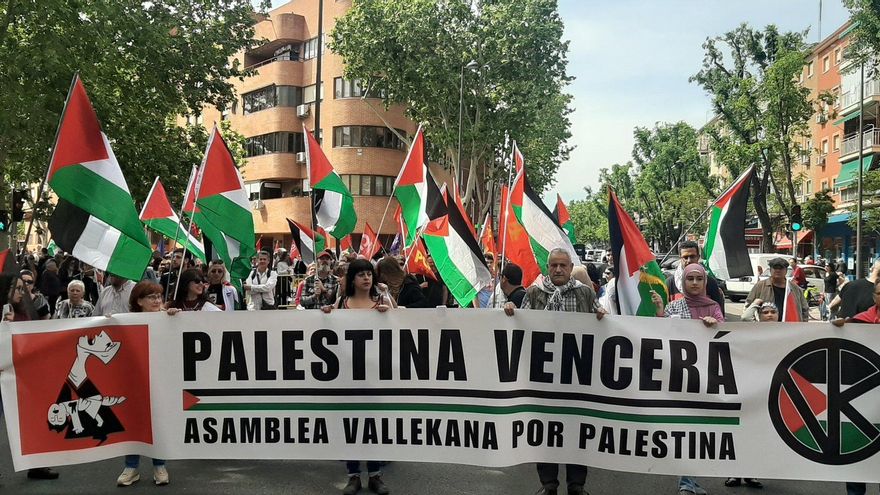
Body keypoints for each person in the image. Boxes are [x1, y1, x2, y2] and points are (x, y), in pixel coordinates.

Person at [504, 248, 604, 495]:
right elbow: (521, 322)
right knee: (546, 430)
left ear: (570, 268)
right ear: (547, 268)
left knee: (577, 430)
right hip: (544, 376)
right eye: (553, 266)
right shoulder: (535, 293)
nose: (558, 270)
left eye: (563, 265)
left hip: (577, 377)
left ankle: (576, 484)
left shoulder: (585, 293)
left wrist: (602, 315)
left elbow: (600, 321)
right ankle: (548, 483)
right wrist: (509, 311)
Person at [650, 263, 722, 495]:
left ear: (704, 282)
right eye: (689, 278)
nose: (694, 283)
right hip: (680, 379)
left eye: (698, 279)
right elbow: (662, 338)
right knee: (683, 429)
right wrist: (661, 313)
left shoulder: (713, 307)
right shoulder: (674, 306)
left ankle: (692, 481)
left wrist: (715, 326)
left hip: (707, 379)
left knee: (701, 432)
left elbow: (728, 337)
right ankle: (686, 483)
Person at [321, 259, 392, 495]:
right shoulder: (341, 303)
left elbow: (402, 328)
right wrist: (327, 315)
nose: (366, 278)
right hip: (347, 377)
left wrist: (389, 315)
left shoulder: (382, 301)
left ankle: (374, 475)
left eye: (369, 274)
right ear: (352, 279)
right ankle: (353, 475)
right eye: (361, 274)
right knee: (349, 424)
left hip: (375, 377)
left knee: (372, 426)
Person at [1, 273, 62, 481]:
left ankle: (37, 465)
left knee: (32, 420)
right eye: (17, 288)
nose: (21, 292)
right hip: (4, 375)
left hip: (24, 374)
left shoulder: (24, 312)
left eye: (24, 287)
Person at [116, 281, 175, 486]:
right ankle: (131, 467)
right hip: (134, 381)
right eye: (151, 297)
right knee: (133, 423)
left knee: (158, 422)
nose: (157, 300)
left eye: (159, 296)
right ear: (139, 301)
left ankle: (160, 465)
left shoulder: (169, 318)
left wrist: (176, 318)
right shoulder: (126, 322)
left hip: (161, 380)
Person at [831, 278, 880, 495]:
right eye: (879, 293)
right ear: (873, 296)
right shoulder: (859, 322)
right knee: (856, 447)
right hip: (861, 398)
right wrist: (840, 328)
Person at [665, 241, 725, 314]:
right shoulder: (670, 283)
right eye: (685, 257)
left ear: (698, 257)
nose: (689, 261)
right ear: (680, 258)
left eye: (692, 256)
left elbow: (719, 317)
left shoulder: (710, 283)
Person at [744, 257, 809, 322]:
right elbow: (748, 307)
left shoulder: (795, 288)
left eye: (781, 268)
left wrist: (802, 326)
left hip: (789, 328)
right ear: (770, 270)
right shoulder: (760, 286)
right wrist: (755, 325)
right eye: (775, 268)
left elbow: (804, 310)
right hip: (766, 328)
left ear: (786, 270)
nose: (778, 270)